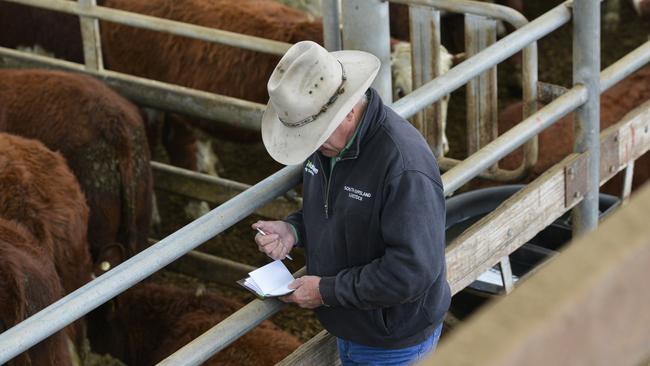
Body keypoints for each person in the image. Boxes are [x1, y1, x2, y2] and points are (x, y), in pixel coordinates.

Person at [253, 40, 450, 365]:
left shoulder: (403, 166)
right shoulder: (329, 147)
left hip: (392, 340)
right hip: (353, 323)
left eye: (315, 134)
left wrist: (327, 291)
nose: (311, 146)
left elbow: (412, 270)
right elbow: (340, 209)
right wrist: (294, 230)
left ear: (345, 113)